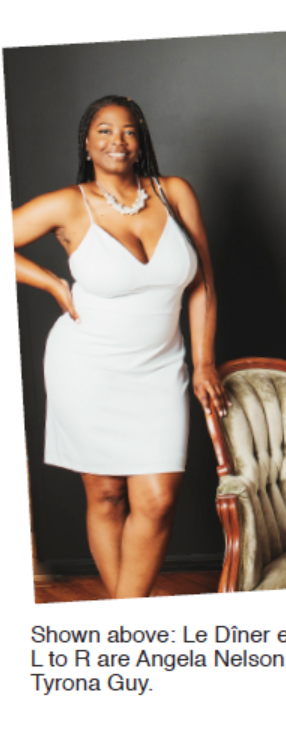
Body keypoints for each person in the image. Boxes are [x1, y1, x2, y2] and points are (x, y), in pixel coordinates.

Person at [12, 96, 227, 599]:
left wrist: (203, 362)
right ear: (87, 143)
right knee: (106, 494)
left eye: (128, 131)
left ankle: (125, 618)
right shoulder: (70, 203)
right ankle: (130, 620)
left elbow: (203, 287)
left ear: (141, 140)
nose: (117, 141)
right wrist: (48, 280)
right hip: (87, 366)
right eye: (104, 131)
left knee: (156, 500)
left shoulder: (173, 193)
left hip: (160, 369)